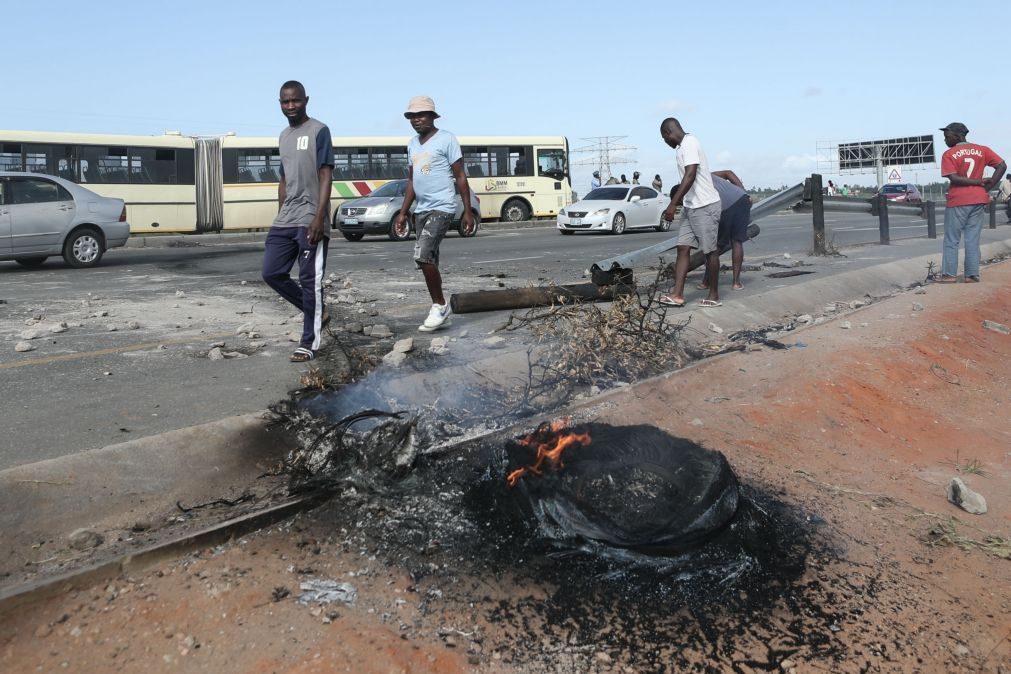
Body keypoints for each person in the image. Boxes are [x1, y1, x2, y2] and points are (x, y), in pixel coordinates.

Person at [261, 80, 334, 363]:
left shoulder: (319, 130)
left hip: (310, 216)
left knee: (309, 279)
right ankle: (318, 311)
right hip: (286, 218)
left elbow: (326, 174)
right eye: (284, 102)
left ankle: (309, 342)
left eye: (295, 100)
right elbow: (284, 178)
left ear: (306, 100)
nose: (290, 106)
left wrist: (319, 216)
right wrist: (280, 212)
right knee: (271, 272)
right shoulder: (283, 136)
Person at [393, 96, 475, 331]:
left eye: (421, 115)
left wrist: (467, 211)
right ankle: (440, 310)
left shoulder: (446, 139)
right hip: (421, 209)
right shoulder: (412, 144)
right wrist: (403, 212)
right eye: (412, 116)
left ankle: (439, 305)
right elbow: (411, 180)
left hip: (442, 207)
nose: (416, 120)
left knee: (422, 254)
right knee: (429, 260)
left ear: (432, 116)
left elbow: (460, 176)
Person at [657, 118, 722, 308]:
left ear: (669, 132)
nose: (665, 142)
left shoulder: (690, 143)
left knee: (710, 252)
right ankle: (677, 295)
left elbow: (690, 174)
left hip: (705, 205)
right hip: (690, 206)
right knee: (683, 248)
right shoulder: (681, 148)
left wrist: (672, 205)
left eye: (663, 137)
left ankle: (714, 295)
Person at [937, 122, 1005, 283]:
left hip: (958, 200)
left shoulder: (949, 154)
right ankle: (972, 274)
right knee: (972, 238)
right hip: (978, 199)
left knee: (952, 239)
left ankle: (949, 275)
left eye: (947, 136)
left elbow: (953, 178)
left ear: (958, 135)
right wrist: (988, 185)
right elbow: (1002, 165)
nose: (945, 140)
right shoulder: (983, 150)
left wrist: (978, 182)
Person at [694, 170, 751, 291]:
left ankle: (706, 282)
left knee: (714, 247)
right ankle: (736, 283)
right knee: (737, 241)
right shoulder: (705, 174)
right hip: (741, 199)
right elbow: (728, 173)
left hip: (723, 206)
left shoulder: (692, 189)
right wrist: (743, 192)